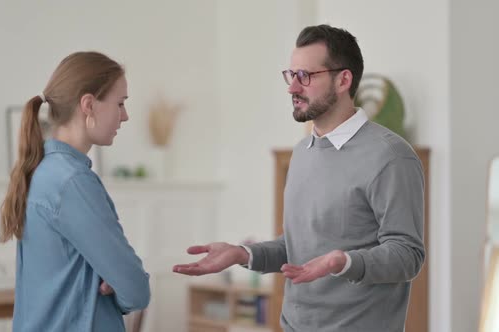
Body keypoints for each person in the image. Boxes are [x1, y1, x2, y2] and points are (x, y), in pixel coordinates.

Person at [173, 25, 425, 332]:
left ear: (343, 79)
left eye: (305, 76)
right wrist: (243, 254)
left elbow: (407, 255)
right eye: (290, 75)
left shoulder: (390, 156)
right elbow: (297, 247)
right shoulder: (303, 152)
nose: (293, 87)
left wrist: (344, 261)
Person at [0, 51, 150, 332]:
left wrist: (114, 281)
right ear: (89, 104)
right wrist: (119, 285)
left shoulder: (41, 172)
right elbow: (136, 288)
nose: (125, 116)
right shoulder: (72, 182)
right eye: (120, 103)